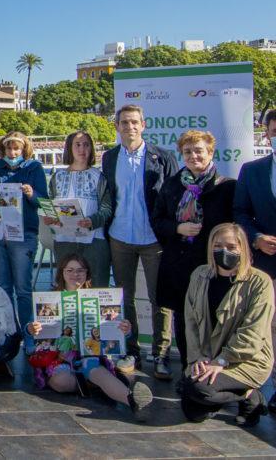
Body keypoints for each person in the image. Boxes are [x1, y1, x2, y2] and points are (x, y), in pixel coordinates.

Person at [26, 254, 153, 422]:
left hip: (90, 355)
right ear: (62, 273)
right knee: (61, 382)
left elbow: (117, 332)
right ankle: (101, 384)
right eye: (70, 270)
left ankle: (134, 402)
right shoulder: (49, 298)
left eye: (80, 270)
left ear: (87, 273)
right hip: (59, 358)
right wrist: (31, 329)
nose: (75, 275)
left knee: (96, 371)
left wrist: (125, 330)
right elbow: (30, 330)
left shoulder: (99, 298)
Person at [153, 130, 236, 377]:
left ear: (210, 153)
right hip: (179, 265)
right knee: (183, 318)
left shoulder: (228, 187)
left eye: (198, 150)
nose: (193, 156)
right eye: (187, 151)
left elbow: (235, 228)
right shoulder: (171, 185)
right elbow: (157, 220)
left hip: (214, 265)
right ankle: (190, 367)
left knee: (216, 317)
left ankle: (216, 369)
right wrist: (178, 228)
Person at [102, 104, 178, 375]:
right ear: (117, 127)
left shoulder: (163, 157)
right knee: (125, 298)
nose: (130, 127)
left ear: (143, 125)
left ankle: (161, 354)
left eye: (135, 122)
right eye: (124, 122)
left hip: (153, 239)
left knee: (161, 299)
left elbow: (174, 199)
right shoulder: (109, 158)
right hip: (120, 237)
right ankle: (131, 350)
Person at [180, 223, 274, 427]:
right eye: (218, 245)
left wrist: (221, 361)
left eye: (231, 247)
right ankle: (238, 394)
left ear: (242, 248)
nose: (224, 251)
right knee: (192, 410)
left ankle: (250, 395)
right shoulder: (200, 275)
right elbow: (190, 322)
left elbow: (253, 334)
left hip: (245, 360)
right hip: (208, 356)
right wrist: (199, 357)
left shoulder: (260, 282)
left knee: (200, 390)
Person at [0, 132, 48, 343]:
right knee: (2, 287)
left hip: (23, 234)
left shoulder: (34, 168)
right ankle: (8, 334)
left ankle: (28, 336)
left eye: (17, 149)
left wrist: (31, 194)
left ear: (24, 150)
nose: (13, 153)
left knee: (23, 289)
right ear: (3, 150)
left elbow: (43, 202)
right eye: (9, 149)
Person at [43, 131, 113, 286]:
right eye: (78, 145)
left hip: (94, 240)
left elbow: (107, 208)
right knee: (67, 287)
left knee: (97, 285)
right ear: (69, 148)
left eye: (86, 145)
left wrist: (92, 221)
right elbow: (50, 205)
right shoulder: (58, 177)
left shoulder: (99, 176)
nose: (82, 149)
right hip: (64, 240)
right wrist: (48, 218)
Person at [233, 109, 276, 280]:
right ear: (267, 134)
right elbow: (240, 212)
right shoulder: (251, 171)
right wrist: (257, 238)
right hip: (267, 265)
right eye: (275, 131)